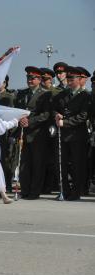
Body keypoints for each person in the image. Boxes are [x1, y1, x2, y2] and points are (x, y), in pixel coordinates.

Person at [52, 66, 90, 201]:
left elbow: (83, 116)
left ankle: (76, 192)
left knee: (76, 164)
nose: (69, 80)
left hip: (76, 135)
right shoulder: (63, 94)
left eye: (72, 78)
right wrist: (57, 115)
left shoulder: (85, 95)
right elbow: (55, 109)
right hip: (62, 135)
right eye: (68, 78)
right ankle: (64, 190)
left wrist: (66, 122)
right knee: (60, 163)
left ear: (80, 80)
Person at [14, 66, 51, 200]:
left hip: (37, 134)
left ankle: (34, 192)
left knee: (37, 164)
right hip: (23, 133)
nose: (30, 80)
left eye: (33, 78)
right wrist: (19, 120)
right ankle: (25, 190)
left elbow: (46, 114)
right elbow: (16, 111)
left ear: (40, 79)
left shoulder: (45, 94)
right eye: (28, 77)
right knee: (24, 164)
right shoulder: (21, 93)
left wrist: (30, 121)